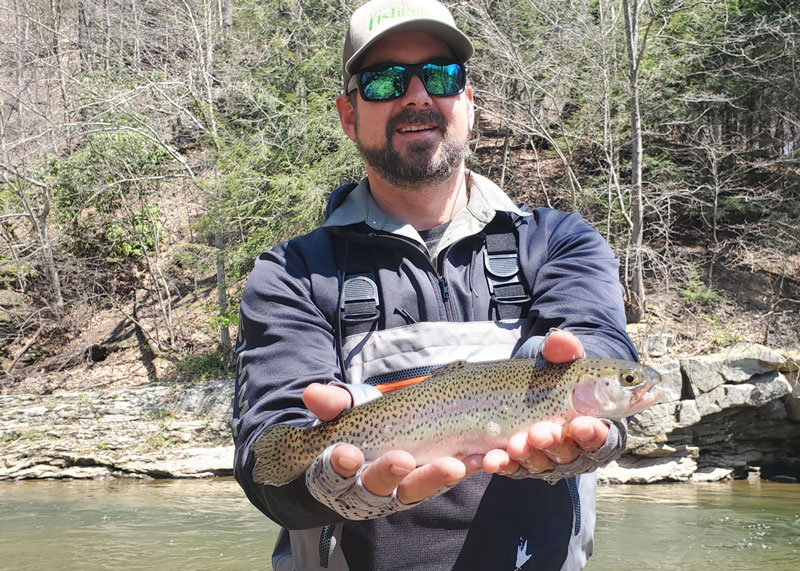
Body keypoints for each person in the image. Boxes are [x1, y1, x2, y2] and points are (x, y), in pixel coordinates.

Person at [233, 1, 637, 569]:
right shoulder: (290, 274)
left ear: (468, 102)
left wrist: (595, 435)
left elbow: (601, 346)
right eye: (385, 81)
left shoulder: (560, 242)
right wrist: (325, 480)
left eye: (441, 75)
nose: (417, 95)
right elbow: (269, 460)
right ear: (348, 116)